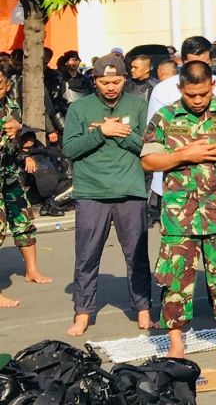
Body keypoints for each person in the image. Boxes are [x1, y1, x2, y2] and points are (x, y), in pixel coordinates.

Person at [140, 61, 216, 358]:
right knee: (175, 280)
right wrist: (184, 155)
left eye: (203, 94)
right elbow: (148, 161)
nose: (197, 101)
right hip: (179, 216)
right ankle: (176, 343)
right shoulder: (165, 116)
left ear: (212, 87)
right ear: (180, 88)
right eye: (191, 95)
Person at [62, 53, 151, 336]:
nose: (111, 86)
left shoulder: (139, 105)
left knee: (136, 256)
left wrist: (122, 134)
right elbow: (70, 150)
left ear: (125, 79)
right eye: (104, 81)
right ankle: (83, 312)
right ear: (95, 81)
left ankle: (143, 308)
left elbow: (149, 148)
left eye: (116, 81)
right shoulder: (79, 109)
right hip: (91, 192)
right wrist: (101, 132)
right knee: (87, 257)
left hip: (130, 190)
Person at [0, 68, 52, 308]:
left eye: (0, 84)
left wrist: (23, 149)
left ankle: (32, 270)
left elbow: (16, 141)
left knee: (23, 220)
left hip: (9, 174)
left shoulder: (12, 105)